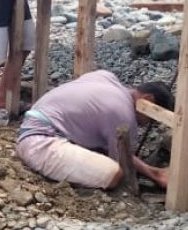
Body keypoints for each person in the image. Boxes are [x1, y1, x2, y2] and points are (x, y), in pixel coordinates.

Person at [15, 70, 173, 190]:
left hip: (33, 124)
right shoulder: (123, 113)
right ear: (147, 100)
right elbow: (123, 162)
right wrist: (155, 175)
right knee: (113, 173)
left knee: (100, 150)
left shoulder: (105, 77)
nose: (146, 125)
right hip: (39, 143)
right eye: (151, 120)